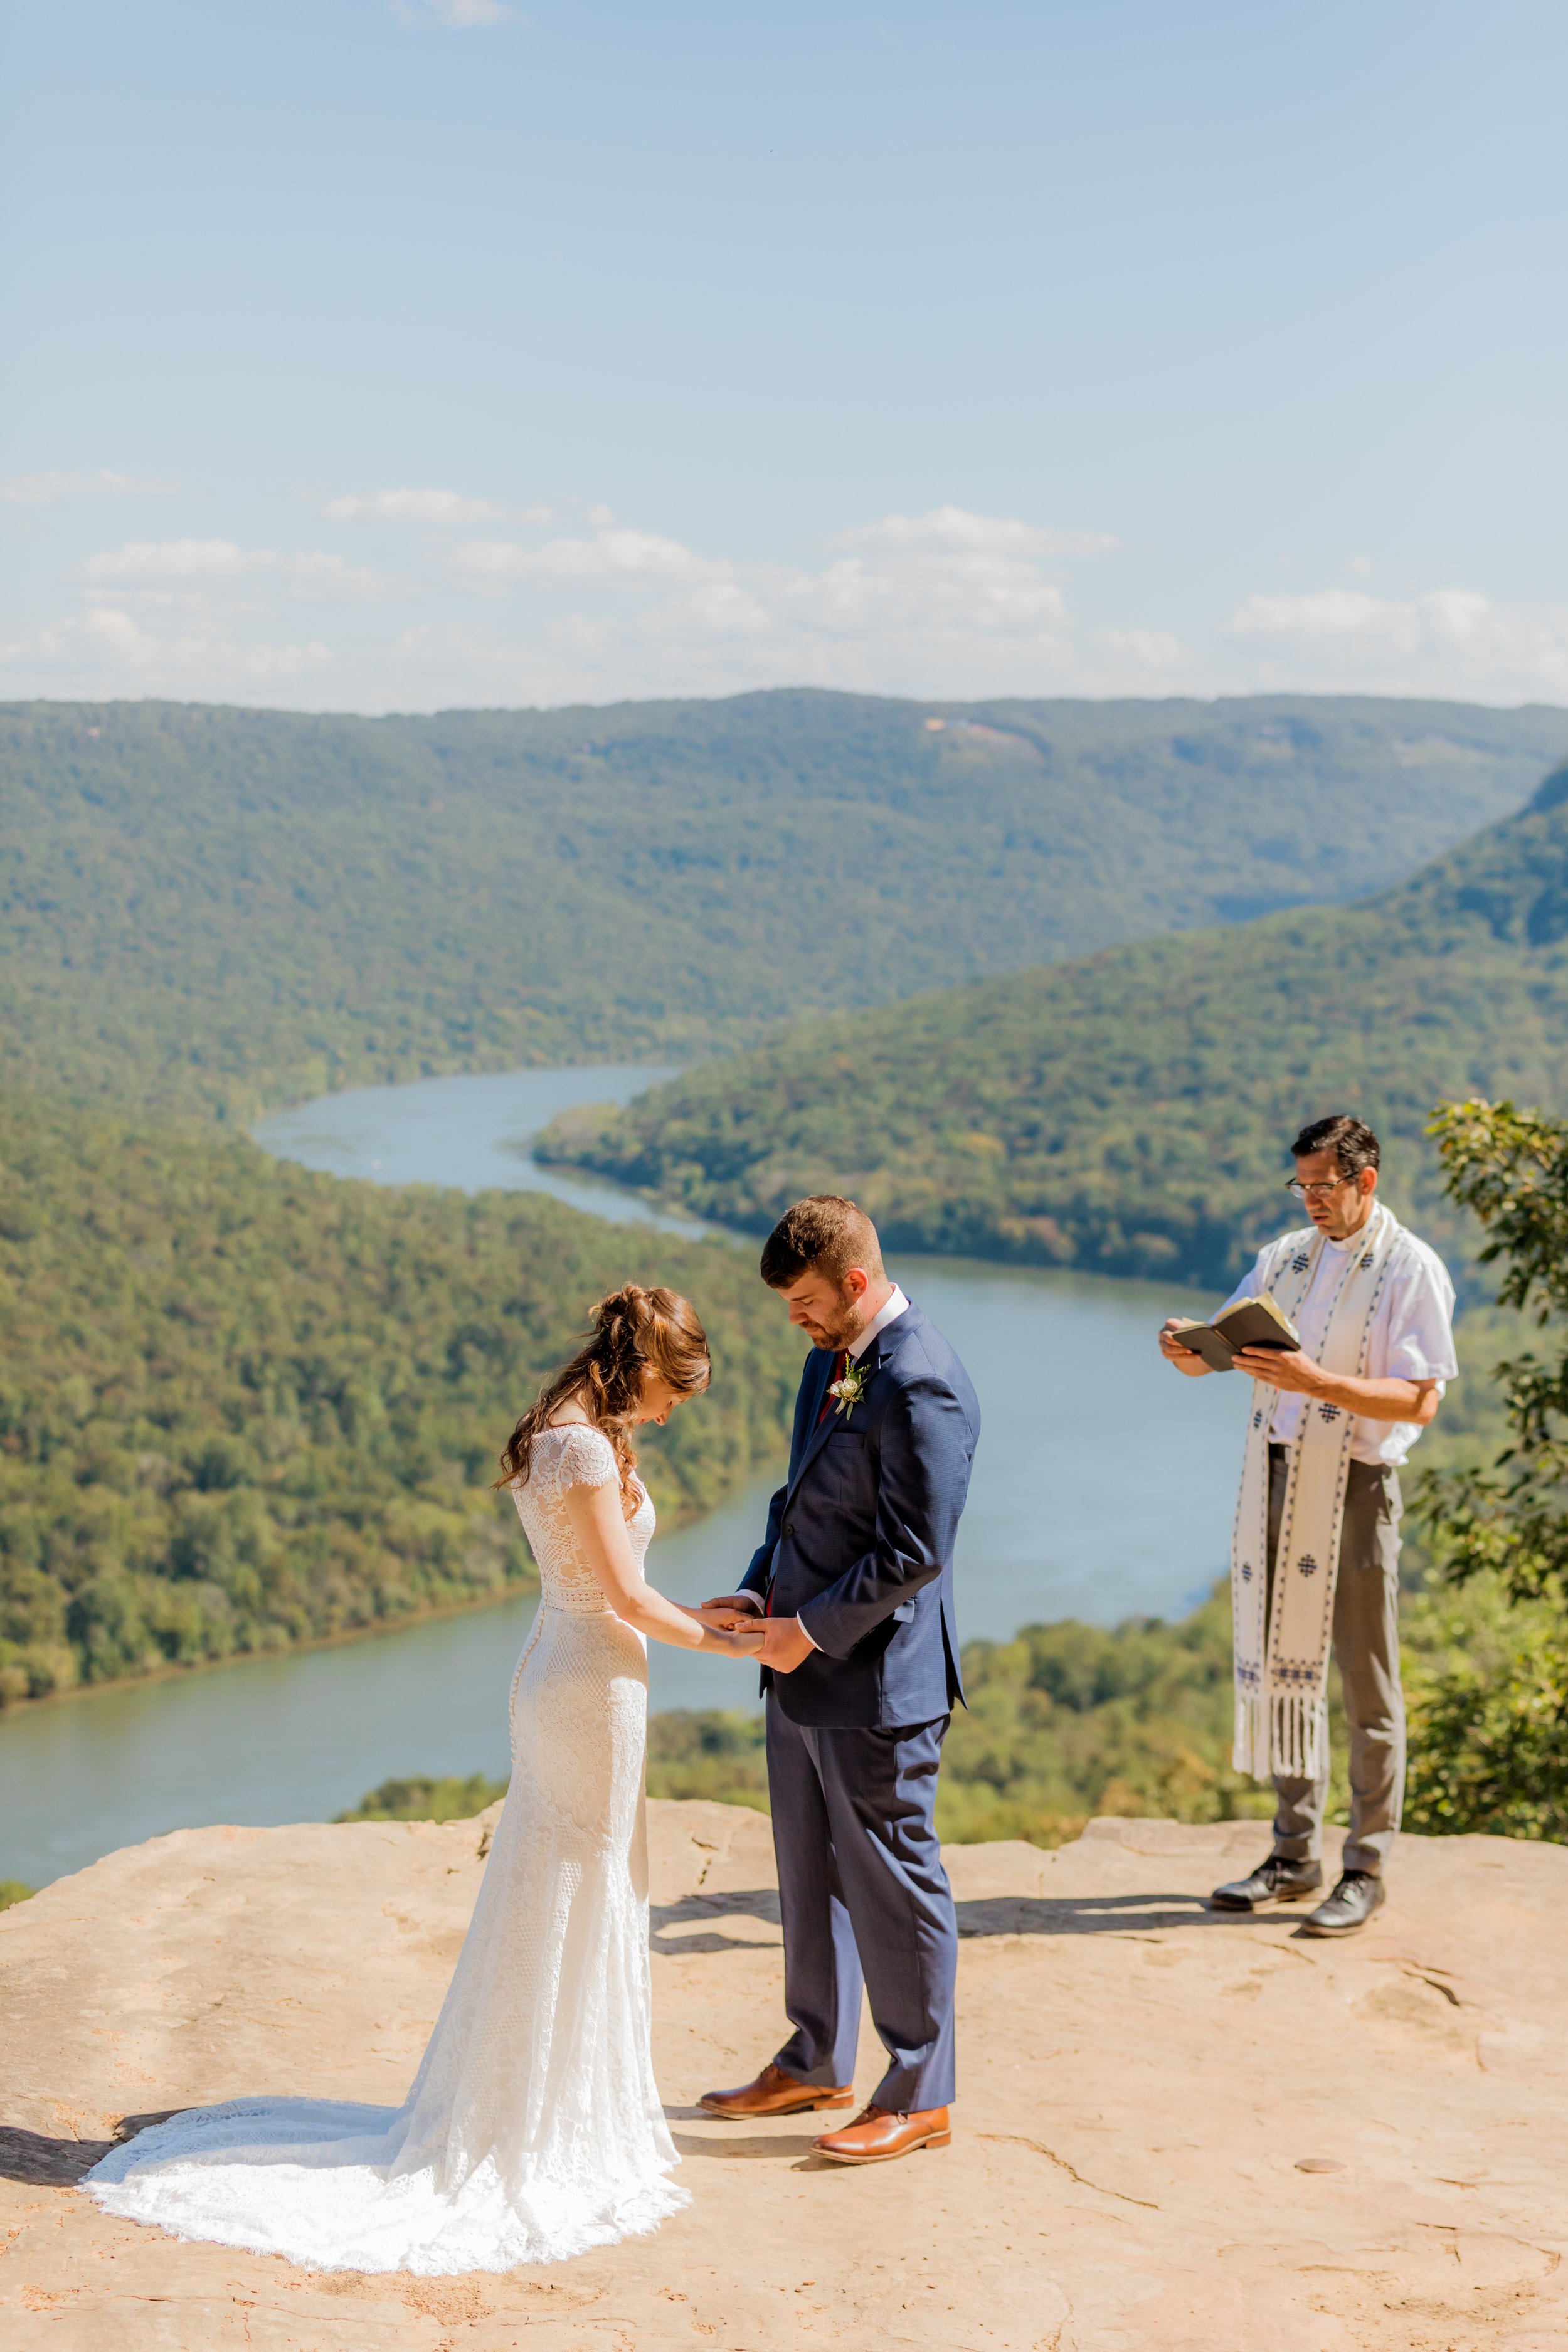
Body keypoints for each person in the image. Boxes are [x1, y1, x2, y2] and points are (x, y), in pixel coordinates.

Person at [82, 1286, 763, 2274]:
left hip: (573, 1669)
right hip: (588, 1684)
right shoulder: (581, 1445)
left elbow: (613, 1581)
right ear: (643, 1364)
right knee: (577, 1889)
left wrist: (706, 1615)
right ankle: (538, 2126)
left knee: (565, 1887)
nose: (669, 1413)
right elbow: (619, 1594)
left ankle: (542, 2104)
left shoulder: (564, 1428)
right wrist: (737, 1643)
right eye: (672, 1392)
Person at [696, 1196, 980, 2163]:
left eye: (808, 1300)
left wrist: (808, 1632)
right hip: (797, 1666)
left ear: (855, 1282)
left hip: (877, 1685)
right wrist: (754, 1588)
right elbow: (797, 1498)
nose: (796, 1319)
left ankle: (921, 2089)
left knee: (895, 1883)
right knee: (808, 1870)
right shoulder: (829, 1363)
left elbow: (916, 1551)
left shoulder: (923, 1381)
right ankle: (817, 2054)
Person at [1159, 1115, 1457, 1937]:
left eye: (1325, 1186)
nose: (1312, 1201)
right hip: (1279, 1472)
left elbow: (1422, 1399)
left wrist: (1315, 1378)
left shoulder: (1411, 1267)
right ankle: (1294, 1855)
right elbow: (1223, 1349)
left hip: (1358, 1482)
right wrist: (1189, 1345)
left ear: (1367, 1181)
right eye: (1303, 1185)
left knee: (1366, 1680)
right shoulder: (1285, 1258)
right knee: (1282, 1663)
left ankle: (1366, 1865)